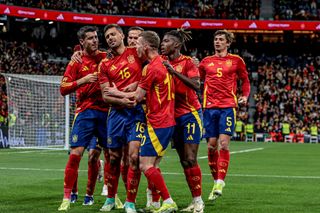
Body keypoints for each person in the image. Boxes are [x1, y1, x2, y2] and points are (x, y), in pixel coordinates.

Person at [104, 30, 178, 213]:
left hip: (159, 122)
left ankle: (168, 200)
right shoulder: (162, 62)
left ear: (145, 47)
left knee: (145, 164)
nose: (134, 46)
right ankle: (155, 203)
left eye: (137, 43)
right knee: (149, 163)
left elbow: (136, 97)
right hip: (164, 119)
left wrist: (115, 92)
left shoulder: (152, 67)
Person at [58, 26, 109, 211]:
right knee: (75, 154)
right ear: (82, 42)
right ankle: (67, 196)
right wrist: (83, 80)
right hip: (85, 113)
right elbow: (63, 88)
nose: (95, 41)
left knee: (107, 156)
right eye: (90, 38)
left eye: (96, 37)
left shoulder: (105, 57)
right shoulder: (76, 61)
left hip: (105, 112)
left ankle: (107, 196)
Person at [198, 29, 250, 201]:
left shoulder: (236, 61)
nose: (217, 42)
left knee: (223, 144)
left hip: (228, 106)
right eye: (216, 39)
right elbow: (197, 80)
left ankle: (220, 181)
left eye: (221, 39)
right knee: (211, 146)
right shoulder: (205, 62)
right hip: (209, 108)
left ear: (228, 43)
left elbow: (245, 80)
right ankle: (215, 182)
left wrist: (244, 95)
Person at [98, 24, 145, 213]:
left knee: (134, 156)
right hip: (116, 114)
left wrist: (134, 87)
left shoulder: (138, 52)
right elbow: (105, 95)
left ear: (122, 35)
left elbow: (154, 69)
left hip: (137, 113)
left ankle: (130, 202)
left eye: (113, 34)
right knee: (114, 158)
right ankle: (110, 198)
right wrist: (125, 98)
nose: (110, 38)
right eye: (107, 36)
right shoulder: (104, 64)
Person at [160, 29, 204, 213]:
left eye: (166, 41)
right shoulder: (160, 62)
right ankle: (194, 200)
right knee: (183, 161)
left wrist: (173, 72)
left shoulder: (187, 62)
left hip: (190, 113)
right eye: (162, 41)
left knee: (191, 158)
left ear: (176, 45)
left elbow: (196, 85)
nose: (162, 44)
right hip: (172, 116)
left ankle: (199, 201)